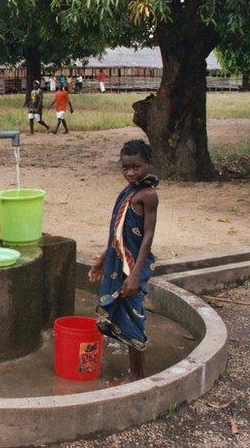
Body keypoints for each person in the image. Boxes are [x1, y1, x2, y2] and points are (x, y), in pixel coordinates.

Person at [88, 139, 159, 385]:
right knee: (122, 314)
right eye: (125, 168)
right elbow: (117, 233)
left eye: (136, 167)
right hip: (119, 261)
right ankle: (133, 372)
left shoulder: (148, 196)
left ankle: (136, 375)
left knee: (133, 317)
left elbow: (147, 236)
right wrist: (103, 259)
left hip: (134, 266)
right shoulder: (128, 193)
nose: (130, 173)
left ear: (148, 164)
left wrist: (135, 275)